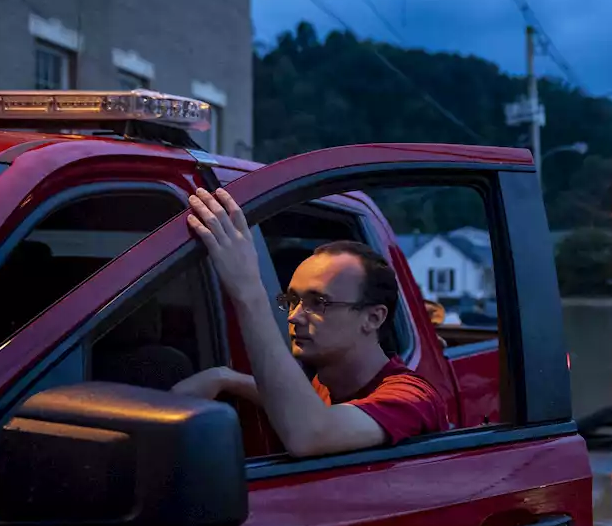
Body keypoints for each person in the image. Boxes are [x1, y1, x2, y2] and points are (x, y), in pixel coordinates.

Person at [171, 188, 448, 457]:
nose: (294, 316)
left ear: (373, 318)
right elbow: (293, 398)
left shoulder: (410, 398)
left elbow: (310, 434)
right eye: (292, 301)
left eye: (319, 303)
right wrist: (225, 378)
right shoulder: (327, 383)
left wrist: (248, 291)